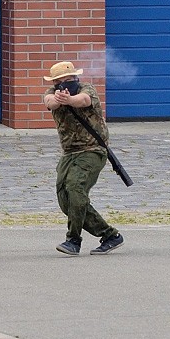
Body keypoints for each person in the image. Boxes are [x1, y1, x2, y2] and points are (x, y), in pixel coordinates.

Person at [42, 61, 124, 255]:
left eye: (70, 80)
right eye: (62, 82)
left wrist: (70, 100)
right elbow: (49, 103)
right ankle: (109, 235)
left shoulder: (87, 89)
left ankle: (73, 239)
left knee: (75, 188)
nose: (66, 85)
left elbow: (85, 100)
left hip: (92, 150)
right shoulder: (50, 93)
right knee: (65, 198)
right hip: (69, 153)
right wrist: (59, 99)